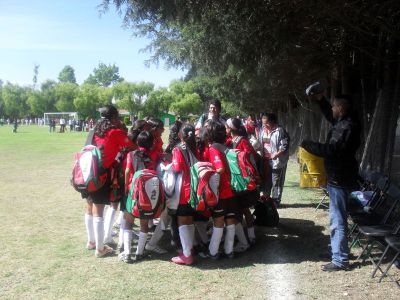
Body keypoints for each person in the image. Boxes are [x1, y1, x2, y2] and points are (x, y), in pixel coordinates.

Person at [301, 91, 361, 272]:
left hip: (340, 179)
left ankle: (340, 259)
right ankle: (337, 250)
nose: (332, 108)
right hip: (339, 176)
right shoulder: (344, 122)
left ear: (341, 109)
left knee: (338, 220)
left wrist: (309, 145)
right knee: (337, 218)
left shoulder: (346, 127)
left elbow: (332, 150)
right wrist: (321, 100)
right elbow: (330, 114)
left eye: (335, 105)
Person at [84, 105, 135, 258]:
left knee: (89, 206)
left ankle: (91, 241)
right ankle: (100, 249)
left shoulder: (94, 130)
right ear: (114, 117)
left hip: (88, 171)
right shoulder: (115, 132)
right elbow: (132, 146)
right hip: (101, 173)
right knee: (98, 210)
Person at [256, 113, 289, 206]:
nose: (264, 125)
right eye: (263, 123)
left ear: (273, 122)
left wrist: (277, 154)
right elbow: (260, 143)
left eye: (266, 123)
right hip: (265, 160)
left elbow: (285, 145)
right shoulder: (262, 130)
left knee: (276, 181)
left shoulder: (280, 131)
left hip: (277, 161)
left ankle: (275, 201)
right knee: (266, 180)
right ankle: (266, 198)